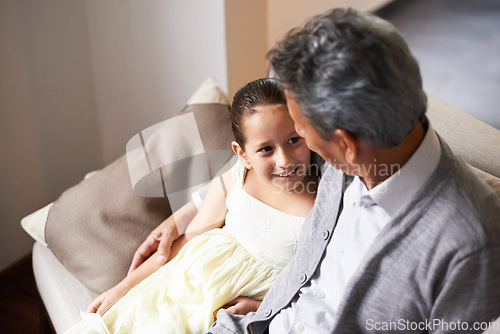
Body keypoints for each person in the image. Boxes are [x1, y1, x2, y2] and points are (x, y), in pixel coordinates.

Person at [208, 8, 500, 334]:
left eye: (301, 132)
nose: (299, 145)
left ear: (345, 143)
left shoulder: (469, 243)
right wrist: (187, 214)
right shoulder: (363, 146)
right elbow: (258, 153)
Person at [64, 78, 320, 333]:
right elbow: (186, 243)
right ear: (243, 154)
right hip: (181, 287)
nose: (284, 160)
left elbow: (320, 289)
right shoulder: (237, 176)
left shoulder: (324, 202)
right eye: (265, 149)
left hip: (225, 316)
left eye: (294, 140)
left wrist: (262, 306)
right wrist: (121, 289)